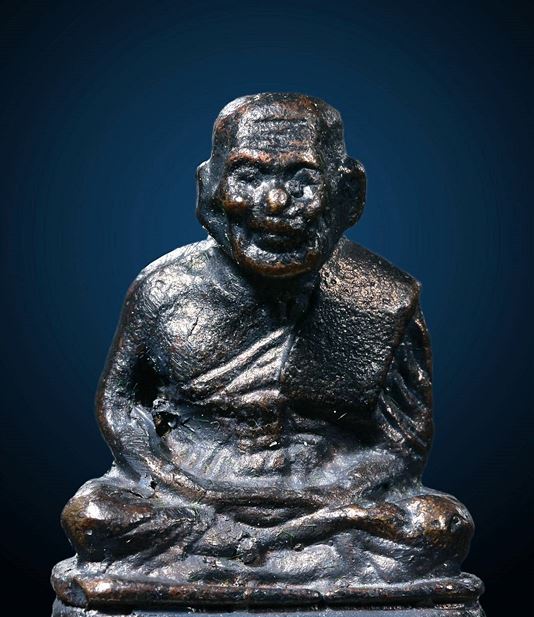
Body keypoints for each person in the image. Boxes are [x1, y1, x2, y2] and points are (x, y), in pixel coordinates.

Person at [62, 93, 473, 588]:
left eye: (302, 180)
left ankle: (239, 561)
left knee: (439, 526)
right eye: (249, 176)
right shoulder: (165, 289)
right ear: (208, 189)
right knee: (96, 516)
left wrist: (337, 498)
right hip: (193, 494)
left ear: (349, 193)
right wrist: (177, 484)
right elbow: (120, 403)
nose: (275, 203)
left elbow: (404, 443)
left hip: (328, 503)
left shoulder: (382, 297)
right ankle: (281, 562)